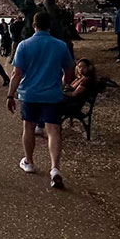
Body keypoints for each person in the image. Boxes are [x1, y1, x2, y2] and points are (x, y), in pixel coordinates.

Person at [7, 11, 75, 190]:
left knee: (28, 127)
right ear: (49, 25)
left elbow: (17, 73)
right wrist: (63, 82)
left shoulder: (24, 45)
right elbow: (69, 70)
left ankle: (29, 161)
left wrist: (10, 94)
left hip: (30, 93)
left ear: (34, 25)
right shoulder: (60, 46)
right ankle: (54, 168)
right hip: (52, 94)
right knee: (53, 131)